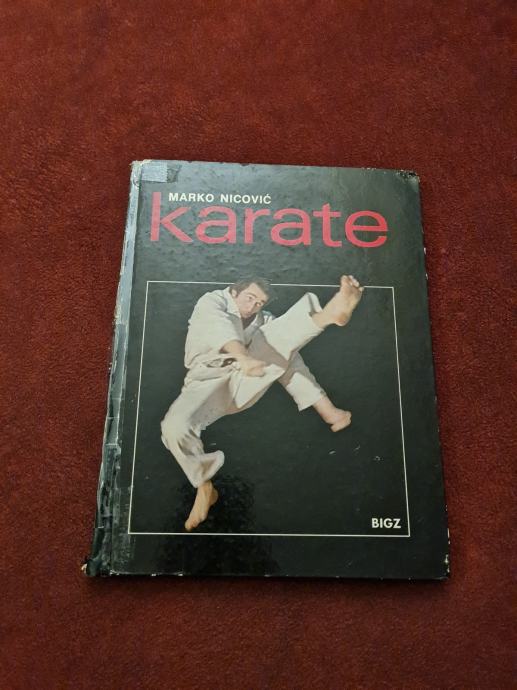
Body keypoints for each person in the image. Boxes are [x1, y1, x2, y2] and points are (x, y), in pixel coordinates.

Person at [161, 275, 364, 531]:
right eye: (249, 298)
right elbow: (217, 327)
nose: (252, 307)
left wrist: (327, 409)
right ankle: (205, 488)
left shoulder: (264, 322)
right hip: (205, 383)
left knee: (278, 342)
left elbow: (291, 366)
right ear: (234, 292)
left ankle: (328, 315)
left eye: (259, 303)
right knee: (174, 428)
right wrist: (243, 357)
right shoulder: (213, 301)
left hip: (244, 384)